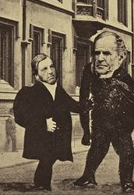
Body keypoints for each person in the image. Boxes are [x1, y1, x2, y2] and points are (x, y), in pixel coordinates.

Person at [74, 30, 134, 193]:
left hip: (121, 125)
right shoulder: (90, 71)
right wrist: (86, 131)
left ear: (120, 57)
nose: (99, 58)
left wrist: (118, 84)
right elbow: (83, 100)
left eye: (106, 53)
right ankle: (88, 176)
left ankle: (127, 181)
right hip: (100, 122)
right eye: (96, 53)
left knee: (127, 152)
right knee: (97, 150)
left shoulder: (123, 75)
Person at [14, 53, 84, 191]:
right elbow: (20, 116)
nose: (50, 71)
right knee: (47, 159)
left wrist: (92, 102)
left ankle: (42, 185)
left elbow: (74, 106)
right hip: (40, 136)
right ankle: (42, 186)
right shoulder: (28, 92)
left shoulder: (58, 90)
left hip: (57, 137)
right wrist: (42, 124)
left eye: (51, 66)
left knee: (49, 159)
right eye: (44, 69)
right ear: (36, 75)